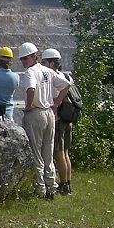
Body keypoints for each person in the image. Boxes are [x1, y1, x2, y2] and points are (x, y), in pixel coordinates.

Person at [17, 42, 70, 200]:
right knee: (48, 152)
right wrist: (56, 104)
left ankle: (40, 189)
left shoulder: (30, 72)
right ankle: (51, 187)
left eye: (26, 58)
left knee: (36, 153)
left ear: (35, 57)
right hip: (49, 114)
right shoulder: (47, 71)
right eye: (22, 59)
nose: (24, 62)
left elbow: (31, 90)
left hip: (36, 114)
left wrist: (28, 107)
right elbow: (66, 85)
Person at [41, 48, 73, 195]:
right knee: (65, 153)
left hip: (59, 120)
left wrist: (55, 104)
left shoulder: (54, 77)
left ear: (51, 62)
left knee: (59, 153)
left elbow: (55, 97)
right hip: (68, 120)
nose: (42, 64)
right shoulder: (66, 75)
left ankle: (63, 185)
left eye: (44, 62)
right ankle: (67, 183)